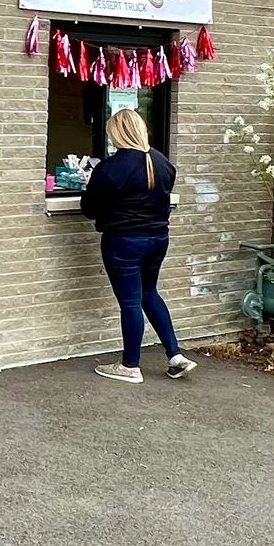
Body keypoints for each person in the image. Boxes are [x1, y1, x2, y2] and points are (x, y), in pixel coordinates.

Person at [79, 107, 196, 386]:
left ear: (117, 134)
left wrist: (90, 186)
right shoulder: (162, 162)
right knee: (149, 293)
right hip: (158, 239)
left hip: (123, 242)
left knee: (130, 302)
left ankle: (130, 366)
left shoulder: (110, 168)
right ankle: (176, 356)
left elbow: (89, 209)